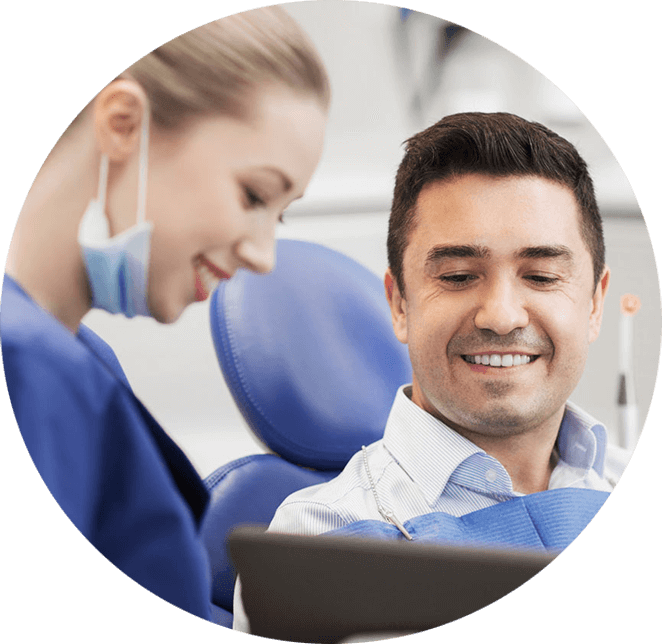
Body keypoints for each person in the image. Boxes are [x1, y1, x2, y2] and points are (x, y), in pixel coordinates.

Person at [232, 112, 631, 632]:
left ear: (595, 304)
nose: (502, 315)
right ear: (399, 303)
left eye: (541, 276)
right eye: (460, 276)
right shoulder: (322, 538)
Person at [1, 7, 329, 625]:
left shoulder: (83, 359)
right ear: (123, 125)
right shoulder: (27, 365)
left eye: (279, 215)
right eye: (254, 195)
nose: (263, 256)